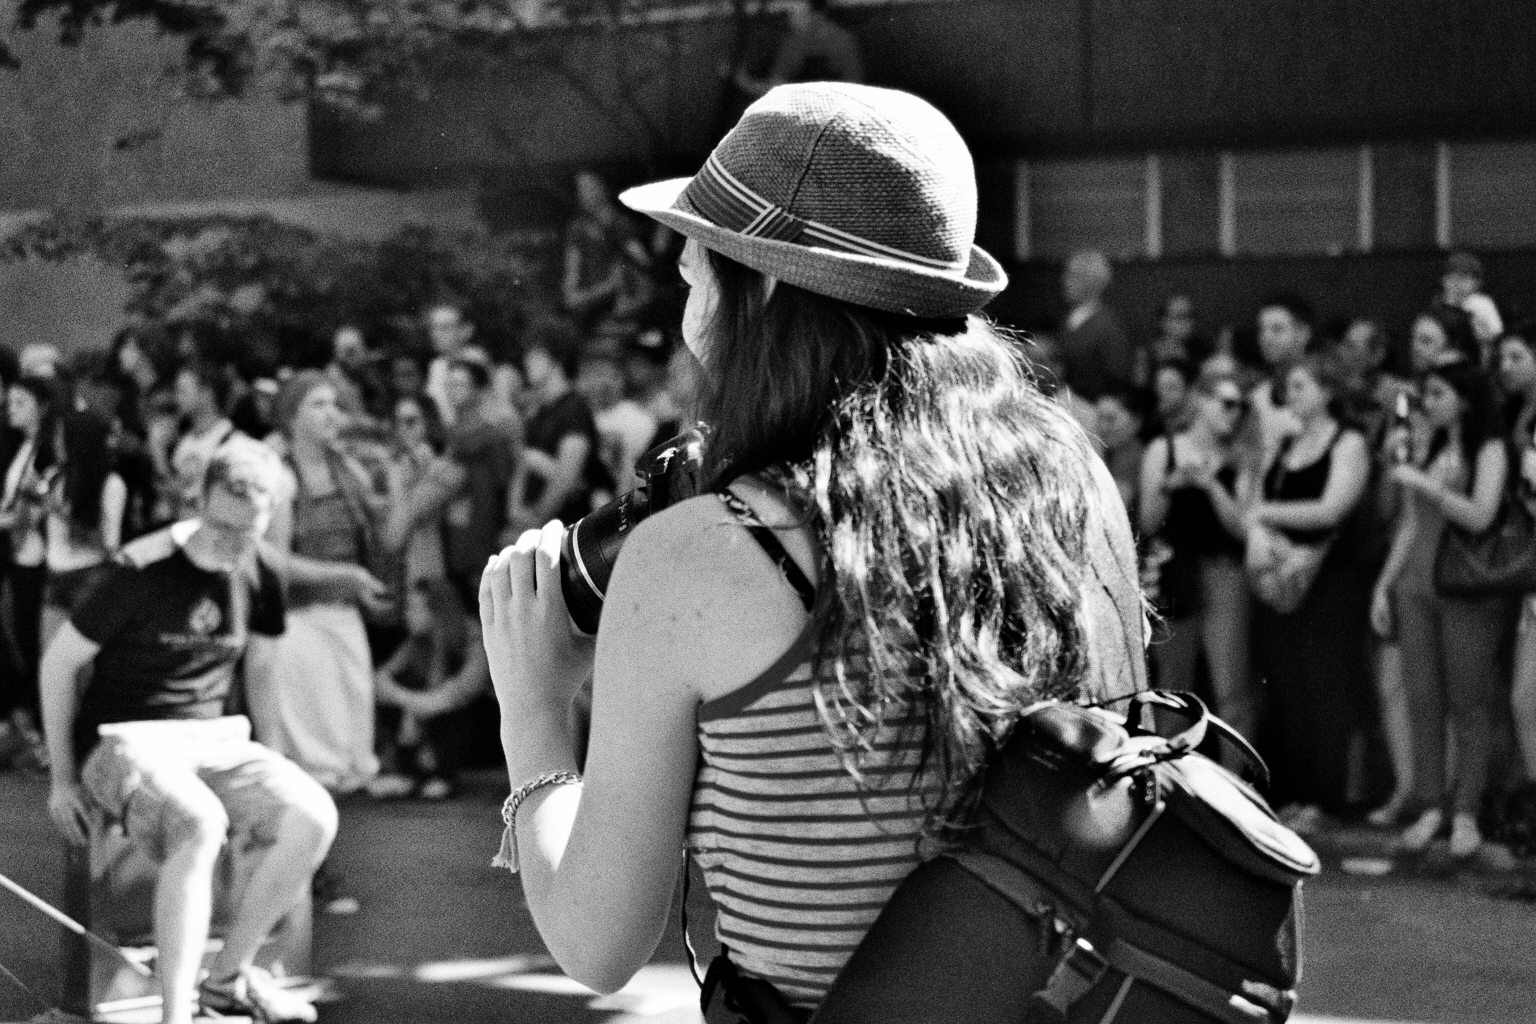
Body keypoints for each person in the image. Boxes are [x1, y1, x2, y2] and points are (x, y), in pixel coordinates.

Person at [476, 82, 1144, 1012]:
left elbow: (598, 943)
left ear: (762, 287)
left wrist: (533, 708)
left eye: (694, 274)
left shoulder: (700, 555)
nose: (685, 302)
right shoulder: (1074, 486)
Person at [39, 437, 338, 1024]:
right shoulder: (138, 570)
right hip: (122, 740)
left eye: (248, 532)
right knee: (198, 821)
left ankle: (227, 980)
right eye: (222, 528)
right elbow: (57, 665)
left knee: (314, 815)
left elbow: (261, 674)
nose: (233, 545)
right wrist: (62, 780)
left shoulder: (262, 570)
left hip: (216, 739)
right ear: (197, 500)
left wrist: (277, 762)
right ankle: (175, 1014)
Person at [1371, 360, 1509, 858]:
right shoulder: (1428, 446)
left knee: (1469, 700)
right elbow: (1410, 524)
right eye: (1425, 394)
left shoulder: (1488, 447)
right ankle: (1431, 804)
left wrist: (1428, 484)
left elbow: (1481, 515)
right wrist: (1383, 586)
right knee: (1422, 698)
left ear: (1464, 399)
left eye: (1437, 394)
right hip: (1416, 582)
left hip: (1466, 586)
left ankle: (1467, 810)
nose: (1427, 403)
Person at [246, 372, 388, 795]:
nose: (332, 414)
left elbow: (383, 536)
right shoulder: (281, 476)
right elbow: (275, 560)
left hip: (344, 615)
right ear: (292, 416)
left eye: (335, 405)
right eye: (318, 405)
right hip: (299, 621)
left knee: (352, 756)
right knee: (318, 766)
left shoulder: (347, 468)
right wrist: (346, 575)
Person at [1248, 352, 1372, 830]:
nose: (1291, 395)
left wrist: (1266, 517)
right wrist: (1267, 531)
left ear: (1328, 390)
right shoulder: (1285, 443)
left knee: (1326, 686)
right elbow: (1256, 502)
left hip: (1330, 578)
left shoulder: (1349, 442)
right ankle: (1295, 793)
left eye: (1300, 385)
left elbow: (1330, 509)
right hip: (1283, 574)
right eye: (1288, 387)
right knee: (1287, 686)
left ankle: (1326, 798)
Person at [1139, 372, 1256, 751]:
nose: (1235, 414)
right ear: (1201, 401)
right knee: (1173, 689)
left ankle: (1236, 781)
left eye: (1241, 407)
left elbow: (1241, 529)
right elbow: (1148, 522)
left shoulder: (1240, 457)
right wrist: (1170, 484)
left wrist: (1211, 484)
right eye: (1227, 403)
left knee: (1231, 690)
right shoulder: (1164, 449)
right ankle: (1164, 778)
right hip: (1176, 574)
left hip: (1226, 573)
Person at [387, 349, 521, 614]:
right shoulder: (450, 434)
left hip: (482, 532)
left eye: (460, 384)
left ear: (478, 389)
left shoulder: (492, 434)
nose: (452, 391)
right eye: (449, 384)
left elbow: (507, 480)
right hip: (452, 535)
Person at [372, 577, 492, 800]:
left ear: (436, 611)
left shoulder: (472, 637)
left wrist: (407, 703)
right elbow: (380, 680)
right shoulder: (416, 642)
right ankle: (410, 773)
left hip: (480, 736)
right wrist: (408, 704)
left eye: (413, 608)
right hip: (425, 723)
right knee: (406, 685)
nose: (406, 614)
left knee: (451, 708)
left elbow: (453, 696)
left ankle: (442, 775)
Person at [1, 374, 59, 765]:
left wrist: (10, 519)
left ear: (42, 406)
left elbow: (29, 510)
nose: (11, 409)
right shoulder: (24, 445)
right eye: (11, 401)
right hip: (21, 553)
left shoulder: (46, 450)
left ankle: (41, 729)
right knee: (21, 637)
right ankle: (30, 725)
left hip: (37, 556)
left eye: (21, 402)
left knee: (31, 641)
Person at [40, 409, 128, 654]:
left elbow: (109, 545)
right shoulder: (56, 476)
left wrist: (60, 514)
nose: (56, 443)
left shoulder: (110, 484)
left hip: (89, 578)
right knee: (50, 657)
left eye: (62, 436)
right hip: (54, 574)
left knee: (81, 659)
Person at [508, 338, 611, 531]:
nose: (527, 363)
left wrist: (535, 522)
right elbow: (522, 463)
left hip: (566, 527)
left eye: (536, 356)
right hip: (534, 525)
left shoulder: (574, 410)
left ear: (556, 360)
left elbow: (567, 479)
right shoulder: (539, 412)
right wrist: (514, 511)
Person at [1499, 325, 1536, 785]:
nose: (1505, 368)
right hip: (1525, 569)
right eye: (1500, 359)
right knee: (1523, 699)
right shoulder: (1512, 412)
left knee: (1525, 698)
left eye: (1516, 357)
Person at [562, 172, 656, 344]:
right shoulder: (577, 229)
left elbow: (644, 262)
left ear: (603, 188)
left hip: (625, 313)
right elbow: (571, 289)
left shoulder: (620, 224)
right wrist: (602, 289)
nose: (585, 194)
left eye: (590, 187)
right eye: (581, 189)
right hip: (594, 314)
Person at [575, 348, 657, 493]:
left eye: (608, 375)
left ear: (621, 379)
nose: (600, 382)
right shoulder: (575, 418)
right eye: (593, 375)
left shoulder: (640, 420)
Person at [1057, 249, 1134, 401]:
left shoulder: (1109, 327)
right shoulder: (1069, 320)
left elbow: (1118, 378)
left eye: (1073, 276)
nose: (1064, 281)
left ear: (1092, 282)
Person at [167, 362, 238, 523]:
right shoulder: (183, 442)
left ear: (207, 393)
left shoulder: (229, 439)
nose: (177, 398)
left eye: (183, 391)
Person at [1249, 294, 1315, 456]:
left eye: (1277, 329)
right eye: (1262, 330)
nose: (1266, 338)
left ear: (1303, 334)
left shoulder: (1321, 394)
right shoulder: (1258, 394)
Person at [1438, 251, 1503, 359]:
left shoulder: (1483, 304)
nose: (1457, 284)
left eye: (1464, 278)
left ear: (1477, 283)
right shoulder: (1438, 305)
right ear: (1443, 280)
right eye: (1452, 278)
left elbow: (1497, 339)